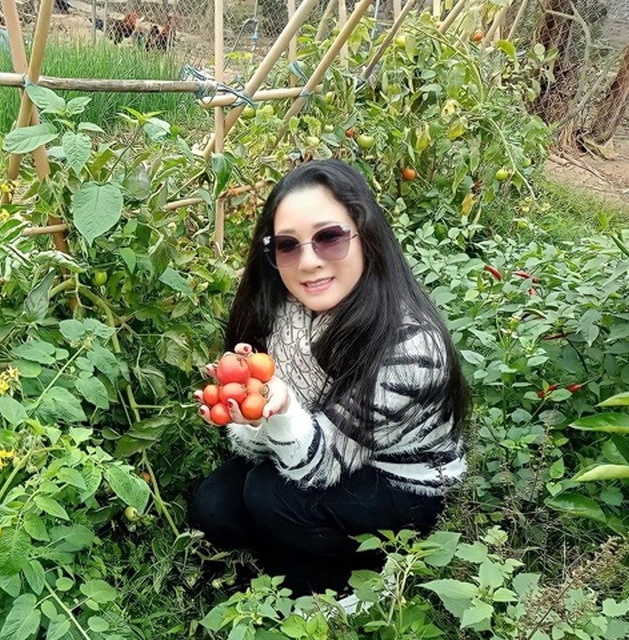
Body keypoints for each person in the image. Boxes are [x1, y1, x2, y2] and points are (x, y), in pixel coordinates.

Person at [188, 159, 469, 597]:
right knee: (213, 505)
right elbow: (272, 438)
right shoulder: (286, 316)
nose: (309, 262)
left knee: (269, 495)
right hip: (318, 448)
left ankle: (361, 582)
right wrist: (246, 412)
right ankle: (305, 547)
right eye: (288, 245)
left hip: (400, 481)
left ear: (365, 234)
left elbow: (320, 467)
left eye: (330, 238)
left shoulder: (411, 345)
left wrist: (275, 410)